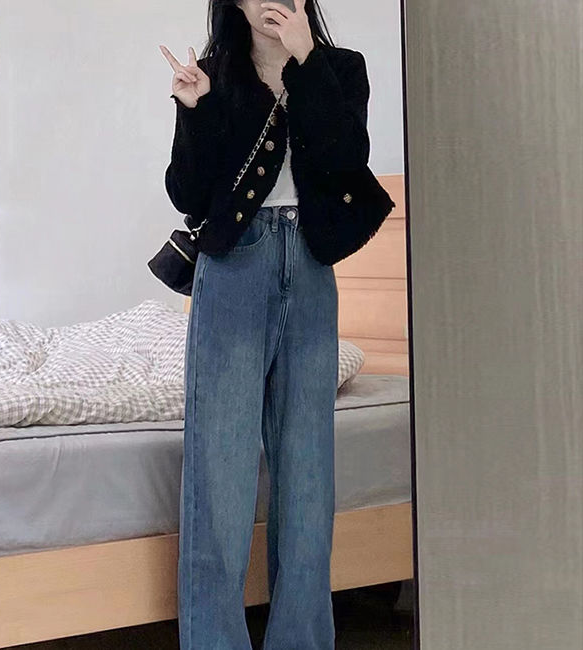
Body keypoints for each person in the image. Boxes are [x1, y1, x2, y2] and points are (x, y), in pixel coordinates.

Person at [159, 2, 372, 648]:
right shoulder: (218, 72)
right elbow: (189, 193)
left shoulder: (340, 68)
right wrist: (193, 110)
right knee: (219, 477)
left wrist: (306, 59)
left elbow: (345, 162)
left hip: (310, 267)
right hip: (235, 269)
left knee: (307, 481)